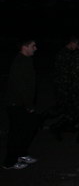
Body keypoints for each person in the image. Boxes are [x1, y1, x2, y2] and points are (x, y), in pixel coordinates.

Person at [3, 39, 41, 170]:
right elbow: (21, 87)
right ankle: (9, 162)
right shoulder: (19, 62)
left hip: (22, 104)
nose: (35, 48)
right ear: (25, 47)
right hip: (17, 104)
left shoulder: (27, 60)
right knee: (16, 133)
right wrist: (28, 105)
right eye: (33, 46)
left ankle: (21, 154)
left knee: (28, 129)